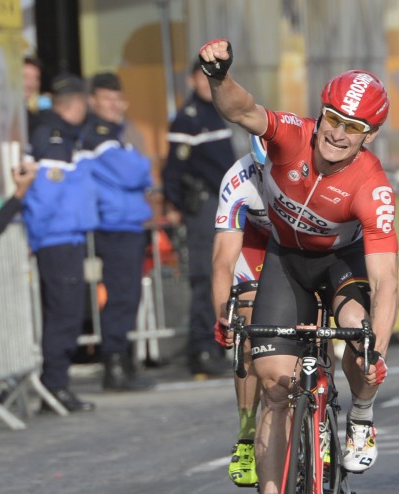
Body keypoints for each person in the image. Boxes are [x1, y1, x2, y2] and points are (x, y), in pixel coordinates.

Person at [200, 40, 397, 493]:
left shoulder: (372, 184)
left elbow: (386, 280)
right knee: (274, 388)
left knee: (357, 327)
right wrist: (218, 76)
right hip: (285, 260)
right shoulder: (291, 134)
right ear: (320, 113)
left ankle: (362, 415)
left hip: (340, 264)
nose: (337, 133)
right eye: (333, 119)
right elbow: (242, 110)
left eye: (354, 127)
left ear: (370, 135)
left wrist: (376, 353)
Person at [22, 74, 99, 412]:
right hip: (56, 239)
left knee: (66, 312)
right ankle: (55, 385)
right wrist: (37, 238)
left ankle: (57, 384)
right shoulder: (54, 137)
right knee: (64, 315)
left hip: (65, 236)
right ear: (77, 103)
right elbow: (45, 196)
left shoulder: (63, 134)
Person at [78, 72, 154, 392]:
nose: (114, 105)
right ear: (93, 101)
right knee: (122, 297)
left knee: (128, 296)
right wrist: (136, 163)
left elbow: (136, 172)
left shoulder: (115, 135)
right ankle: (115, 366)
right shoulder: (98, 135)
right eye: (107, 98)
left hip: (126, 224)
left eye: (117, 99)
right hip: (115, 226)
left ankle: (123, 361)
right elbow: (135, 171)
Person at [162, 59, 237, 377]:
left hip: (222, 204)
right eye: (202, 78)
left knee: (223, 276)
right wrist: (174, 203)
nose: (208, 85)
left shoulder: (217, 113)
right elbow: (173, 169)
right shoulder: (188, 118)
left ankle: (216, 343)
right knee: (206, 276)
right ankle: (201, 348)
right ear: (192, 80)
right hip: (204, 207)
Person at [210, 136, 270, 488]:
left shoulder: (310, 165)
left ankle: (321, 423)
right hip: (254, 241)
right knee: (245, 327)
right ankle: (247, 436)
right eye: (263, 170)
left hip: (301, 242)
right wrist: (224, 314)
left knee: (317, 323)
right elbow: (222, 262)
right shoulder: (238, 178)